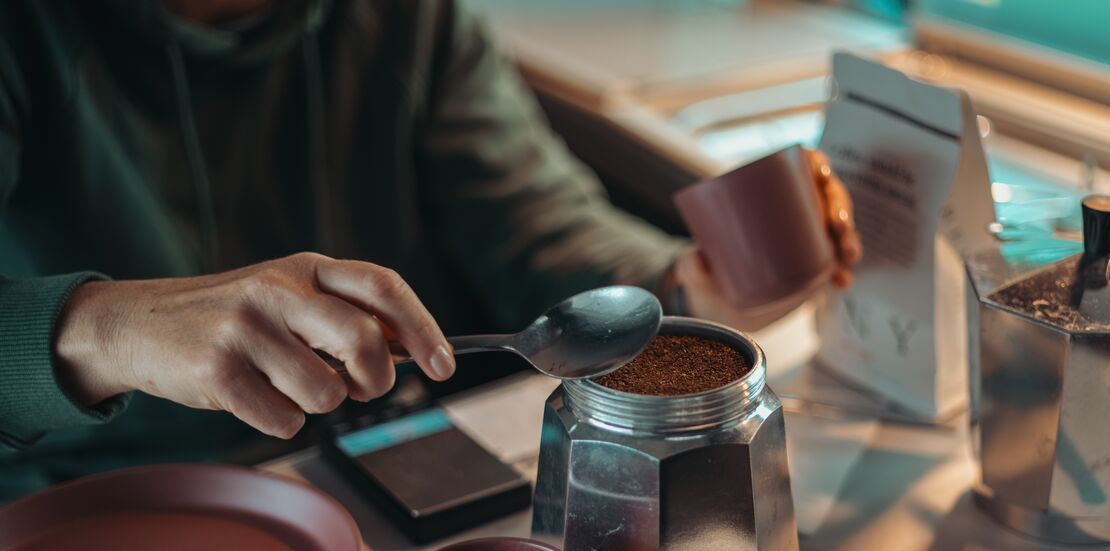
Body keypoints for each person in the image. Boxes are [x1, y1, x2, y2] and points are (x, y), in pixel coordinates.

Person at [0, 0, 860, 500]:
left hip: (393, 467)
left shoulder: (411, 20)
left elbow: (540, 226)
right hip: (90, 508)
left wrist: (691, 285)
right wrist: (103, 328)